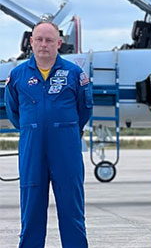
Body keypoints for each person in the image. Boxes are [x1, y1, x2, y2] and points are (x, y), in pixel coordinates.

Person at [5, 21, 93, 247]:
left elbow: (84, 109)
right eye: (39, 40)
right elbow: (14, 113)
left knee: (72, 211)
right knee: (31, 211)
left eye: (49, 40)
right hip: (32, 149)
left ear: (59, 43)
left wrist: (65, 130)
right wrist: (34, 128)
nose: (44, 45)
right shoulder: (17, 76)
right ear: (31, 42)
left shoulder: (74, 74)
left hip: (66, 150)